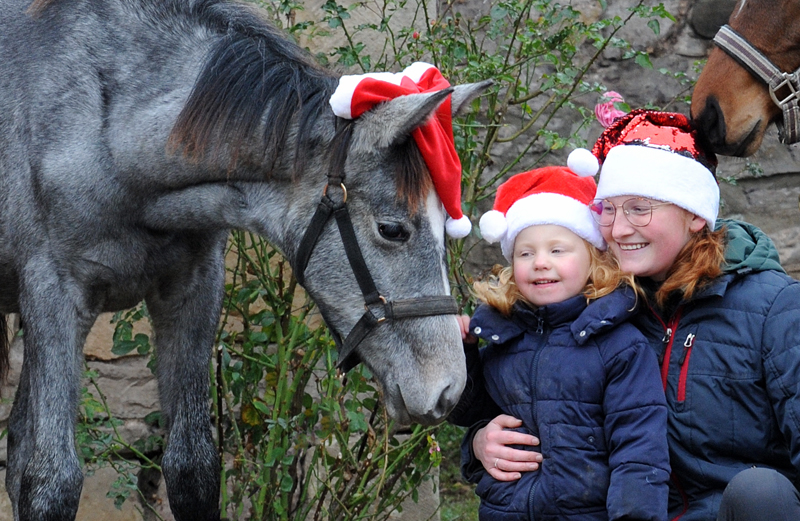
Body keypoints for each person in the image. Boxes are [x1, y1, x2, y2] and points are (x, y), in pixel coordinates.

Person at [464, 109, 800, 521]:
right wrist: (480, 443)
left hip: (739, 512)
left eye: (639, 209)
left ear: (694, 214)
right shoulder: (592, 310)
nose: (619, 230)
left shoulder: (774, 309)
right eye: (608, 209)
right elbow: (547, 405)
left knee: (760, 492)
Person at [447, 156, 670, 521]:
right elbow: (469, 413)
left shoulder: (619, 346)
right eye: (525, 252)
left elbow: (638, 448)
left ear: (593, 260)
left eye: (557, 249)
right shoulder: (503, 336)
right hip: (506, 511)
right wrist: (465, 355)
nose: (540, 262)